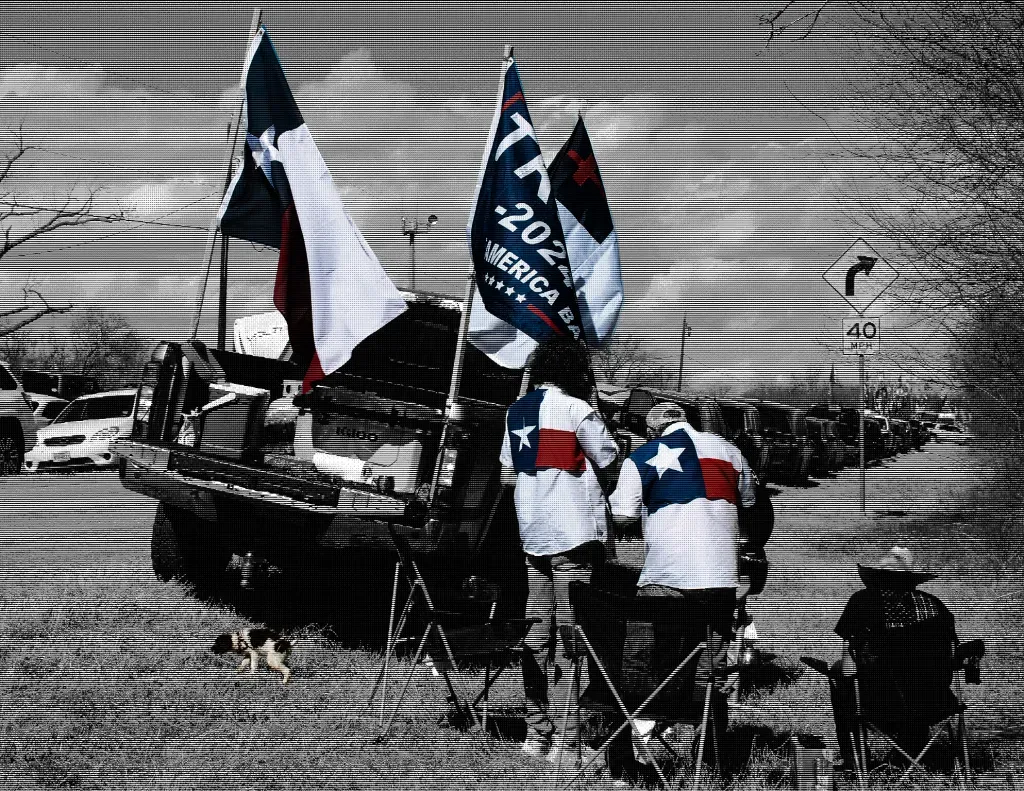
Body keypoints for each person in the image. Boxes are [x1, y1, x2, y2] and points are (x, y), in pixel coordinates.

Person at [607, 402, 756, 780]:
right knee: (711, 668)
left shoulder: (641, 457)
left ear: (653, 429)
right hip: (720, 578)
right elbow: (750, 501)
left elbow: (622, 516)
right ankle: (710, 757)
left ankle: (631, 756)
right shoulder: (729, 450)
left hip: (666, 576)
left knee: (642, 662)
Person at [498, 337, 619, 762]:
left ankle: (536, 733)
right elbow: (608, 458)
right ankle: (566, 744)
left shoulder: (517, 411)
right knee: (572, 638)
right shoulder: (576, 409)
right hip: (573, 536)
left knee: (537, 634)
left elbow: (507, 476)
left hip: (533, 536)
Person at [830, 546, 959, 771]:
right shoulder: (936, 607)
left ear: (876, 577)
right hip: (936, 703)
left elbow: (849, 669)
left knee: (838, 671)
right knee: (914, 679)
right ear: (911, 580)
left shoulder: (862, 602)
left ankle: (855, 758)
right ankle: (911, 747)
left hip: (879, 703)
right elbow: (953, 658)